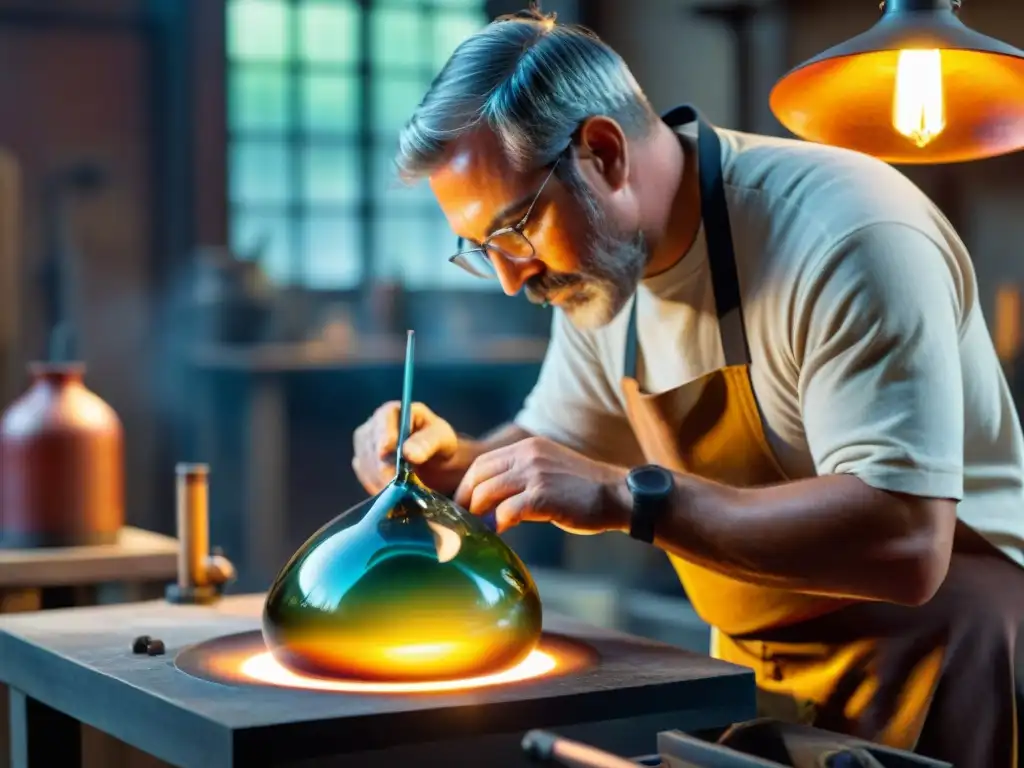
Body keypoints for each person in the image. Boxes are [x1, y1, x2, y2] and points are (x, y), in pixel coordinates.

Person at [351, 8, 1024, 766]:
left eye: (514, 232)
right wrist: (446, 463)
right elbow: (559, 449)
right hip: (747, 671)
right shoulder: (600, 274)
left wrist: (627, 498)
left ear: (602, 152)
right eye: (480, 250)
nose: (512, 278)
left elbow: (904, 540)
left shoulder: (847, 235)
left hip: (934, 660)